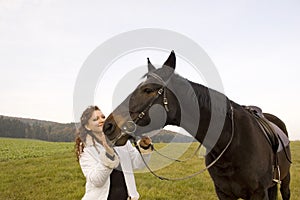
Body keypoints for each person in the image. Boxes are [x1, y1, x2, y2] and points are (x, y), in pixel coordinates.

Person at [75, 105, 153, 200]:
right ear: (88, 127)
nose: (101, 120)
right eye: (95, 119)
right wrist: (109, 156)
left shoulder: (122, 142)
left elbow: (138, 164)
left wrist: (144, 147)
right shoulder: (86, 149)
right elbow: (96, 180)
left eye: (103, 117)